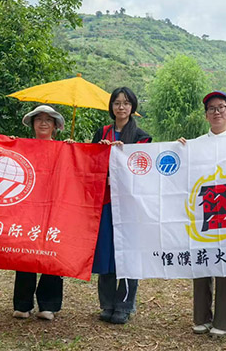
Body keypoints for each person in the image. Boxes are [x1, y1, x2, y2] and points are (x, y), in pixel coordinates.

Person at [177, 91, 226, 338]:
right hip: (204, 208)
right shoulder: (194, 144)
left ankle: (225, 320)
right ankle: (201, 317)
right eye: (212, 108)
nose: (217, 112)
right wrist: (179, 149)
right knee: (202, 260)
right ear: (206, 115)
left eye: (221, 107)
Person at [91, 87, 152, 324]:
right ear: (111, 107)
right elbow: (91, 164)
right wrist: (100, 151)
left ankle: (125, 305)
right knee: (106, 252)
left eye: (126, 103)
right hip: (105, 201)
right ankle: (106, 304)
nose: (121, 107)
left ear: (133, 107)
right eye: (117, 103)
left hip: (129, 202)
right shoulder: (102, 132)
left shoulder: (141, 137)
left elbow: (144, 169)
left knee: (128, 253)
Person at [11, 105, 71, 321]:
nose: (43, 123)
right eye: (39, 119)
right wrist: (8, 144)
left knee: (53, 253)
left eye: (49, 119)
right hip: (28, 208)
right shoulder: (22, 146)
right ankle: (22, 304)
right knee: (25, 254)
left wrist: (73, 151)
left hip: (56, 208)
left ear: (55, 126)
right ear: (33, 124)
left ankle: (49, 304)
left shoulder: (65, 148)